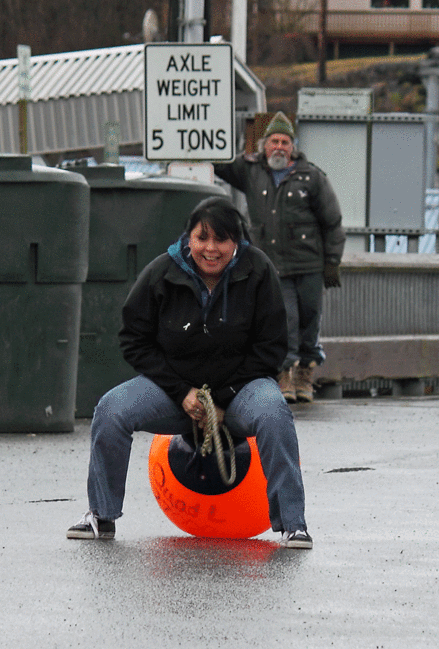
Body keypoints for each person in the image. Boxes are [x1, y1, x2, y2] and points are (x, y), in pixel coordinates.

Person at [66, 197, 312, 549]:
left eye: (221, 240)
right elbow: (134, 339)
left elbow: (272, 347)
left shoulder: (258, 271)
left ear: (237, 242)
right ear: (189, 238)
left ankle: (293, 524)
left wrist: (224, 400)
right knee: (111, 409)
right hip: (174, 392)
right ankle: (101, 516)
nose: (211, 249)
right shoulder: (161, 272)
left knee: (274, 412)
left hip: (242, 390)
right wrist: (182, 392)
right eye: (202, 238)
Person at [214, 112, 346, 403]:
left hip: (309, 263)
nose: (279, 146)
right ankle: (284, 372)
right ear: (264, 145)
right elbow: (217, 160)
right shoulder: (250, 171)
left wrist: (332, 262)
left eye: (285, 141)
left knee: (310, 319)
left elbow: (332, 221)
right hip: (272, 265)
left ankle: (305, 373)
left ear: (292, 147)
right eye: (274, 140)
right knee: (285, 318)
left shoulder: (311, 177)